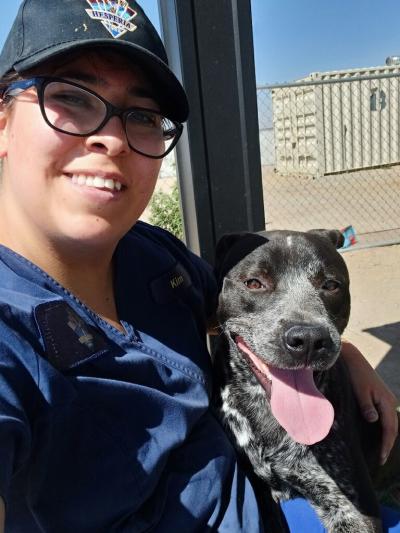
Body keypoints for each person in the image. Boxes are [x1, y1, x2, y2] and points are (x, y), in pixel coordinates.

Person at [0, 1, 398, 531]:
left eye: (141, 115)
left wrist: (336, 349)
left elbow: (250, 310)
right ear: (2, 122)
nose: (113, 138)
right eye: (71, 97)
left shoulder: (154, 256)